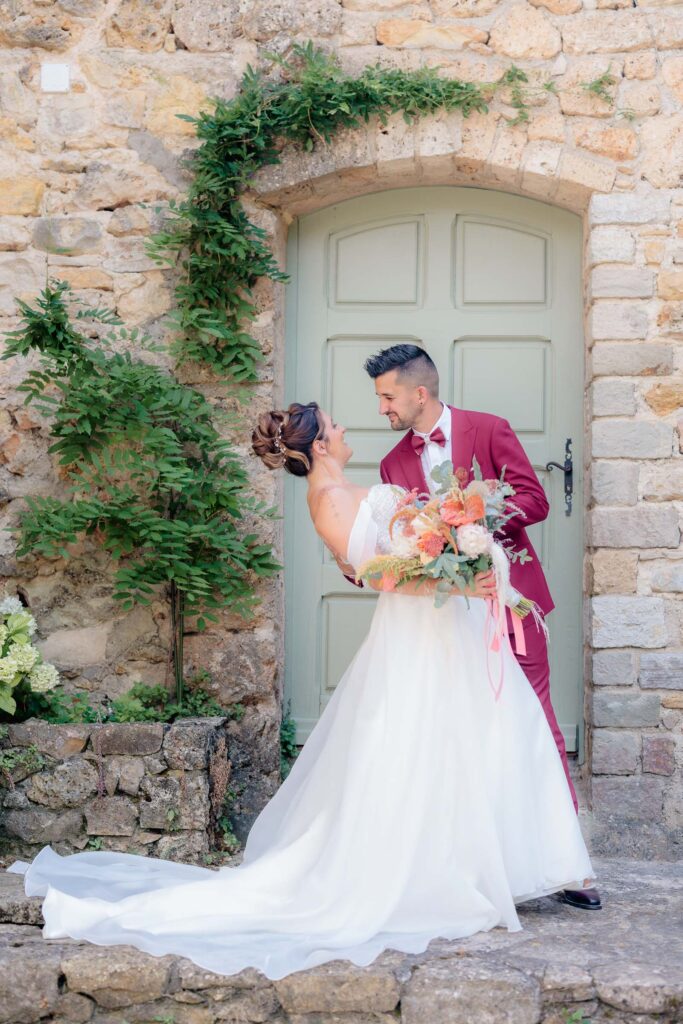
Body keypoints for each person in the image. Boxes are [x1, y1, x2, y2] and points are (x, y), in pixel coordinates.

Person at [8, 400, 596, 981]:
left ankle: (486, 863)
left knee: (474, 739)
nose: (344, 430)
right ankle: (432, 870)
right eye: (335, 426)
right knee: (419, 747)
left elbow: (394, 552)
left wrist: (450, 540)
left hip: (442, 632)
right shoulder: (329, 499)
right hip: (416, 638)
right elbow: (377, 574)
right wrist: (463, 586)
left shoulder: (352, 489)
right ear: (318, 445)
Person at [363, 342, 601, 911]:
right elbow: (403, 539)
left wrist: (475, 514)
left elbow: (535, 500)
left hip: (512, 602)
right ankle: (482, 865)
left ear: (419, 393)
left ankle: (571, 870)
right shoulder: (393, 463)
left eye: (387, 397)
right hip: (448, 617)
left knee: (536, 725)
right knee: (464, 735)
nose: (383, 409)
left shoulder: (489, 429)